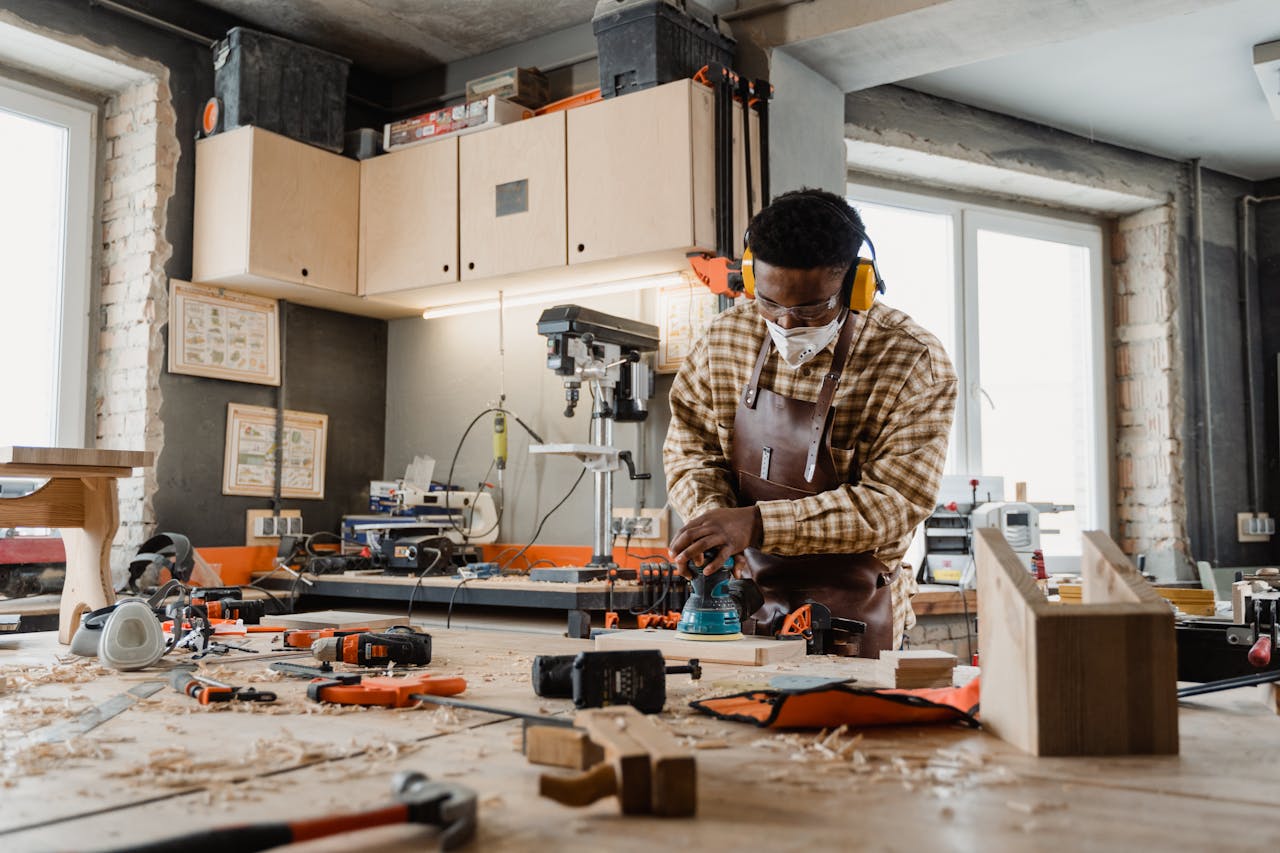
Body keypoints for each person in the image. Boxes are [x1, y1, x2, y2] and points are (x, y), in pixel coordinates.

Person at [663, 188, 958, 655]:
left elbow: (895, 502)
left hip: (855, 620)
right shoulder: (725, 338)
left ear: (857, 285)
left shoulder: (911, 361)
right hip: (744, 611)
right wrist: (713, 527)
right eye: (769, 302)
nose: (785, 322)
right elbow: (690, 452)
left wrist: (756, 524)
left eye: (810, 309)